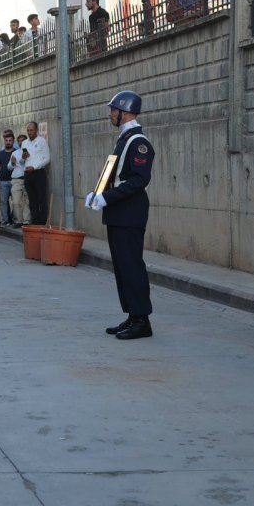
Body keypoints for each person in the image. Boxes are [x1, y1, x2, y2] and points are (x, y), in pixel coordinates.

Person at [86, 91, 155, 340]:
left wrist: (107, 197)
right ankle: (133, 315)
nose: (110, 114)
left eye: (113, 110)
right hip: (118, 211)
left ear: (124, 112)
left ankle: (142, 320)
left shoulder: (138, 142)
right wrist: (97, 193)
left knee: (131, 265)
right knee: (122, 267)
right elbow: (112, 173)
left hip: (129, 212)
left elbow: (138, 180)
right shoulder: (124, 138)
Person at [22, 121, 51, 224]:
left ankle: (42, 221)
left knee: (41, 198)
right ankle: (35, 220)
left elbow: (47, 159)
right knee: (31, 199)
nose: (29, 132)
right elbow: (22, 159)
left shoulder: (42, 141)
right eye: (28, 130)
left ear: (36, 130)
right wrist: (23, 157)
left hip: (38, 173)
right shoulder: (24, 143)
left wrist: (34, 167)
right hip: (27, 174)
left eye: (31, 130)